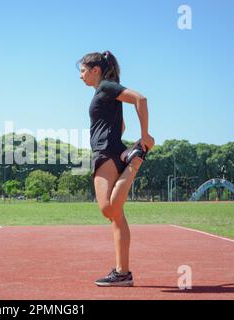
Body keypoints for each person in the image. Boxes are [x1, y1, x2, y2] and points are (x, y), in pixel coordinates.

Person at [78, 51, 155, 287]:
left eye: (82, 71)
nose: (80, 76)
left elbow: (140, 99)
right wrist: (115, 138)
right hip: (111, 148)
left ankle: (136, 159)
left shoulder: (107, 87)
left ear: (96, 70)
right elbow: (119, 123)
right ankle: (123, 273)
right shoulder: (104, 92)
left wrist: (144, 136)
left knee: (108, 209)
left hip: (106, 152)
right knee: (116, 215)